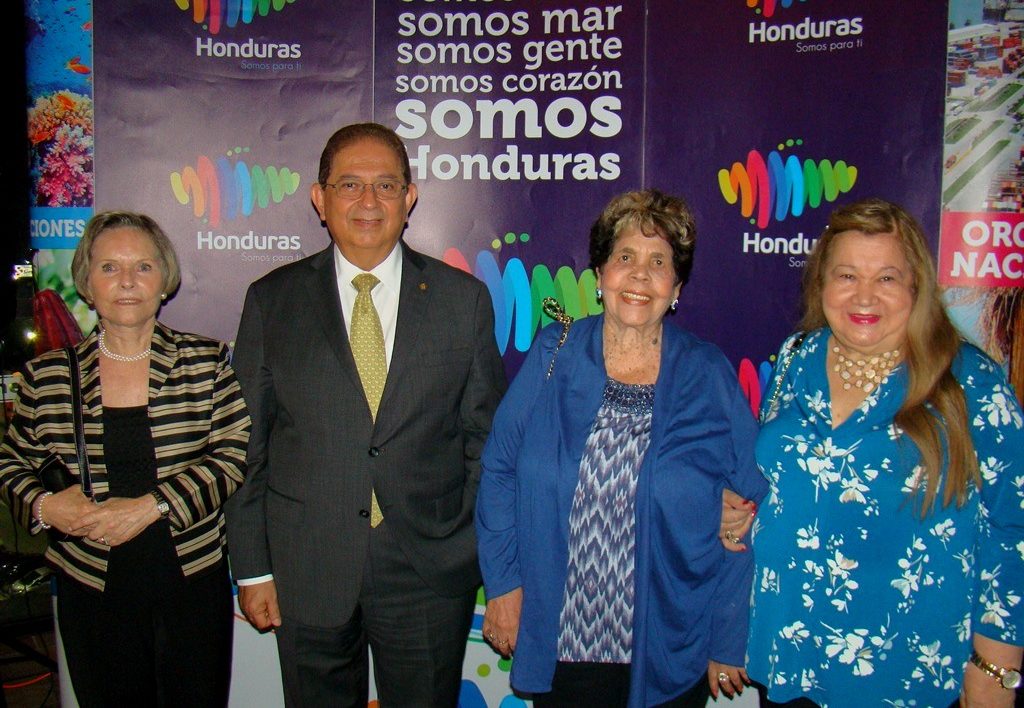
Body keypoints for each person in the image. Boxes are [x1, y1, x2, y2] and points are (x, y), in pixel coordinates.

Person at [224, 122, 507, 707]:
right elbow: (247, 446)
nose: (368, 201)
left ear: (410, 198)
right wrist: (252, 568)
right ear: (319, 198)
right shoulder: (272, 300)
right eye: (349, 184)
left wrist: (465, 545)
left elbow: (486, 440)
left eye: (386, 185)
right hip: (307, 564)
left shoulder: (463, 300)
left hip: (428, 568)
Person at [475, 189, 769, 707]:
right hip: (563, 641)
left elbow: (750, 507)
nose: (639, 275)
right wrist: (503, 585)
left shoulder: (706, 372)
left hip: (670, 642)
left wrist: (728, 635)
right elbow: (499, 469)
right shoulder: (554, 350)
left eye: (658, 263)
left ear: (676, 287)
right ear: (599, 275)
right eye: (625, 257)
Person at [740, 198, 1024, 707]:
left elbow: (1013, 528)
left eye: (887, 278)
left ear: (916, 287)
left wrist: (994, 668)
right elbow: (786, 482)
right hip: (792, 656)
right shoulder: (795, 358)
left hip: (904, 672)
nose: (864, 295)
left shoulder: (969, 382)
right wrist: (738, 510)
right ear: (822, 283)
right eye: (846, 275)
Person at [0, 211, 250, 706]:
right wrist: (47, 506)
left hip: (190, 584)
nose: (128, 281)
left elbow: (232, 452)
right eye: (110, 267)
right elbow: (12, 462)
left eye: (143, 266)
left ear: (165, 279)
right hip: (90, 585)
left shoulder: (206, 362)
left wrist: (151, 506)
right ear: (87, 283)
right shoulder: (47, 376)